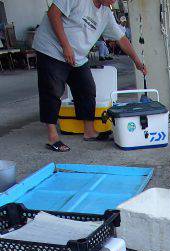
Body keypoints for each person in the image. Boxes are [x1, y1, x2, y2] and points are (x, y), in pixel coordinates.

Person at [33, 0, 147, 152]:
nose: (114, 1)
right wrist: (65, 45)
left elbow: (121, 39)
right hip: (51, 49)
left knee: (87, 89)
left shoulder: (106, 13)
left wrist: (137, 61)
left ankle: (89, 131)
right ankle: (53, 136)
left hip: (78, 56)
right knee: (52, 91)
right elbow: (53, 13)